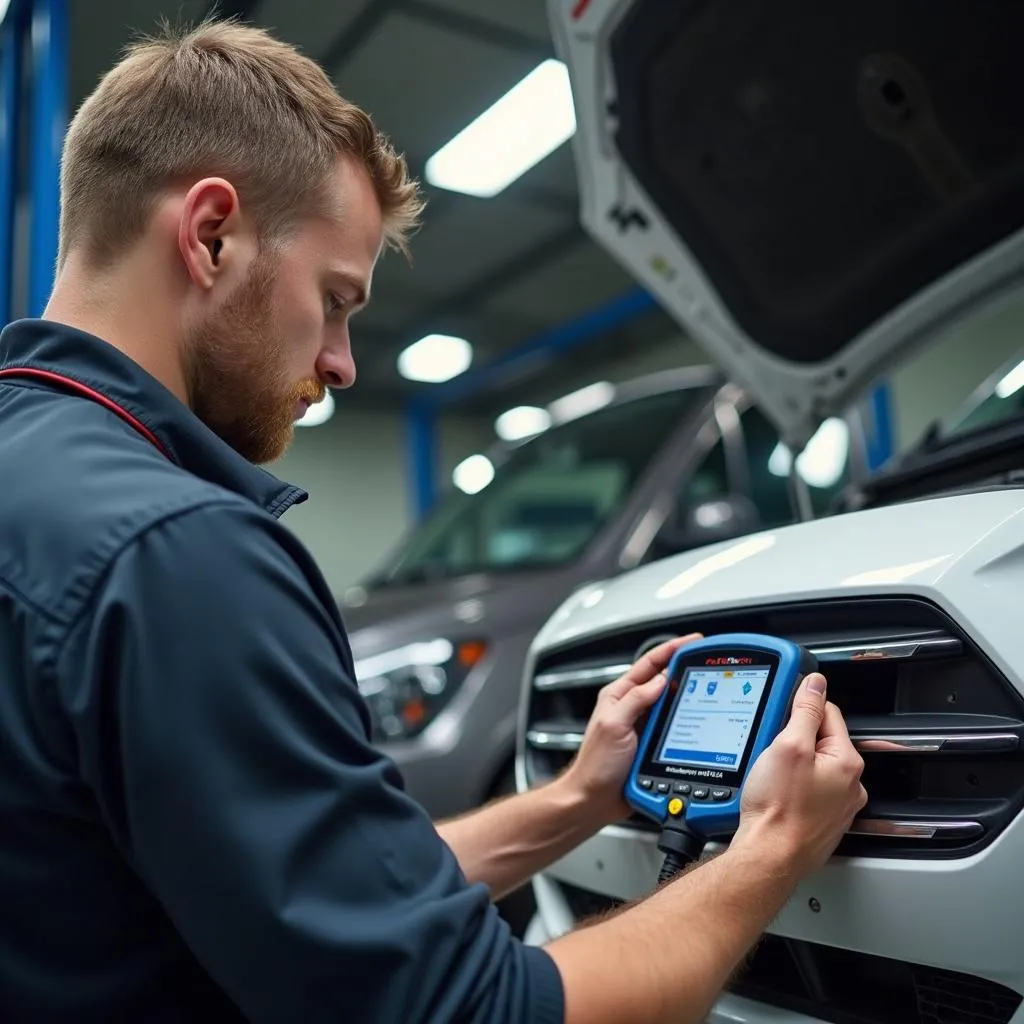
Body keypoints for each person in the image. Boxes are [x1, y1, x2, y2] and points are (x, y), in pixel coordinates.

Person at [0, 18, 867, 1024]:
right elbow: (465, 1009)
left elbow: (330, 896)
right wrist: (770, 852)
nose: (341, 361)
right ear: (210, 235)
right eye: (334, 299)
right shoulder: (177, 553)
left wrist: (577, 797)